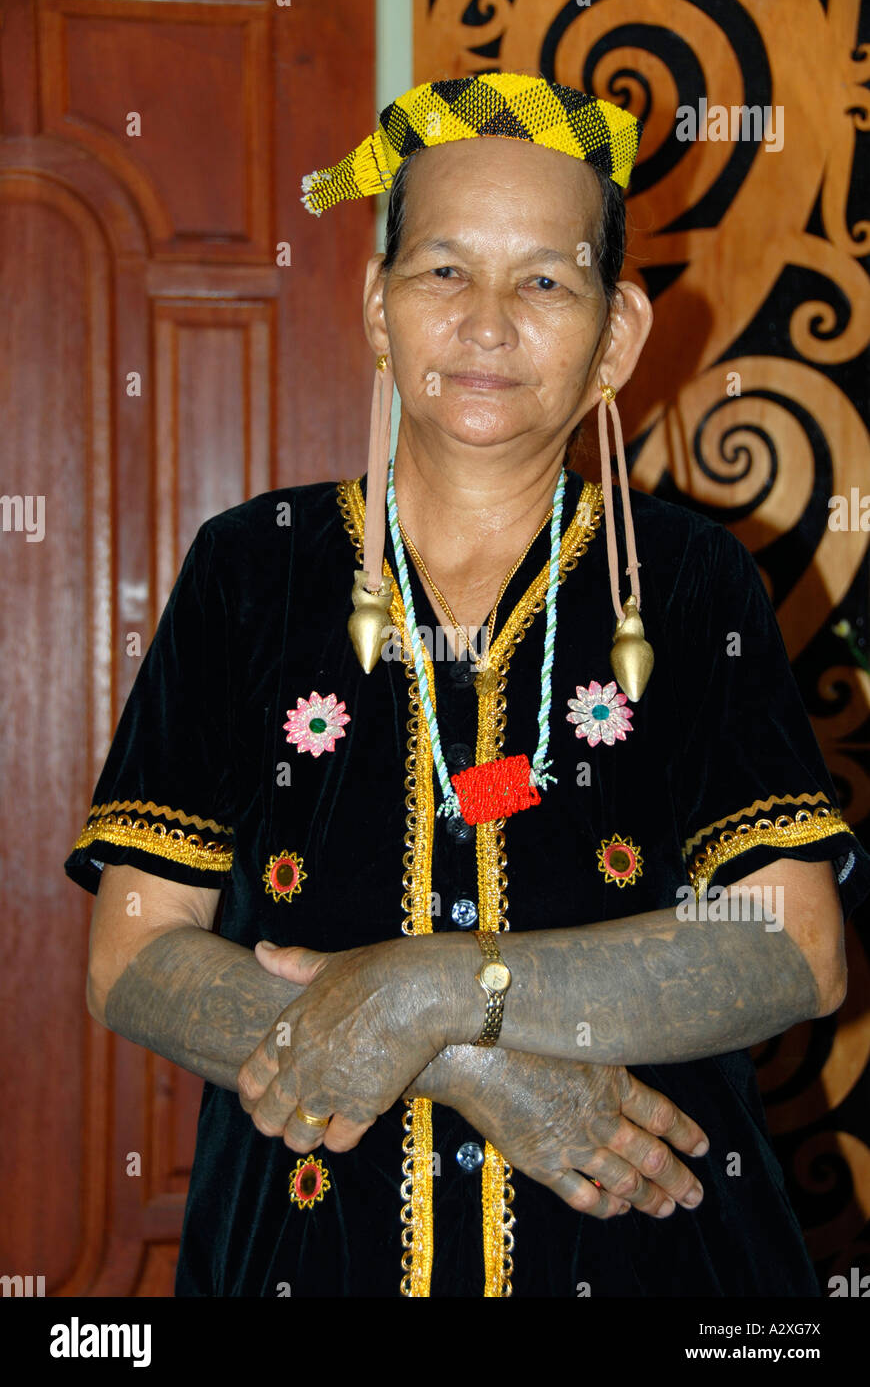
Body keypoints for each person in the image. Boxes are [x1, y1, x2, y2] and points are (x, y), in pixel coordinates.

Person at [65, 72, 870, 1298]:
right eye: (443, 269)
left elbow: (795, 950)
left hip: (643, 1245)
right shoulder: (252, 568)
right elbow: (131, 960)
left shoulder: (694, 584)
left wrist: (440, 984)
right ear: (378, 311)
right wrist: (476, 1064)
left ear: (618, 334)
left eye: (547, 278)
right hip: (305, 1248)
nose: (488, 321)